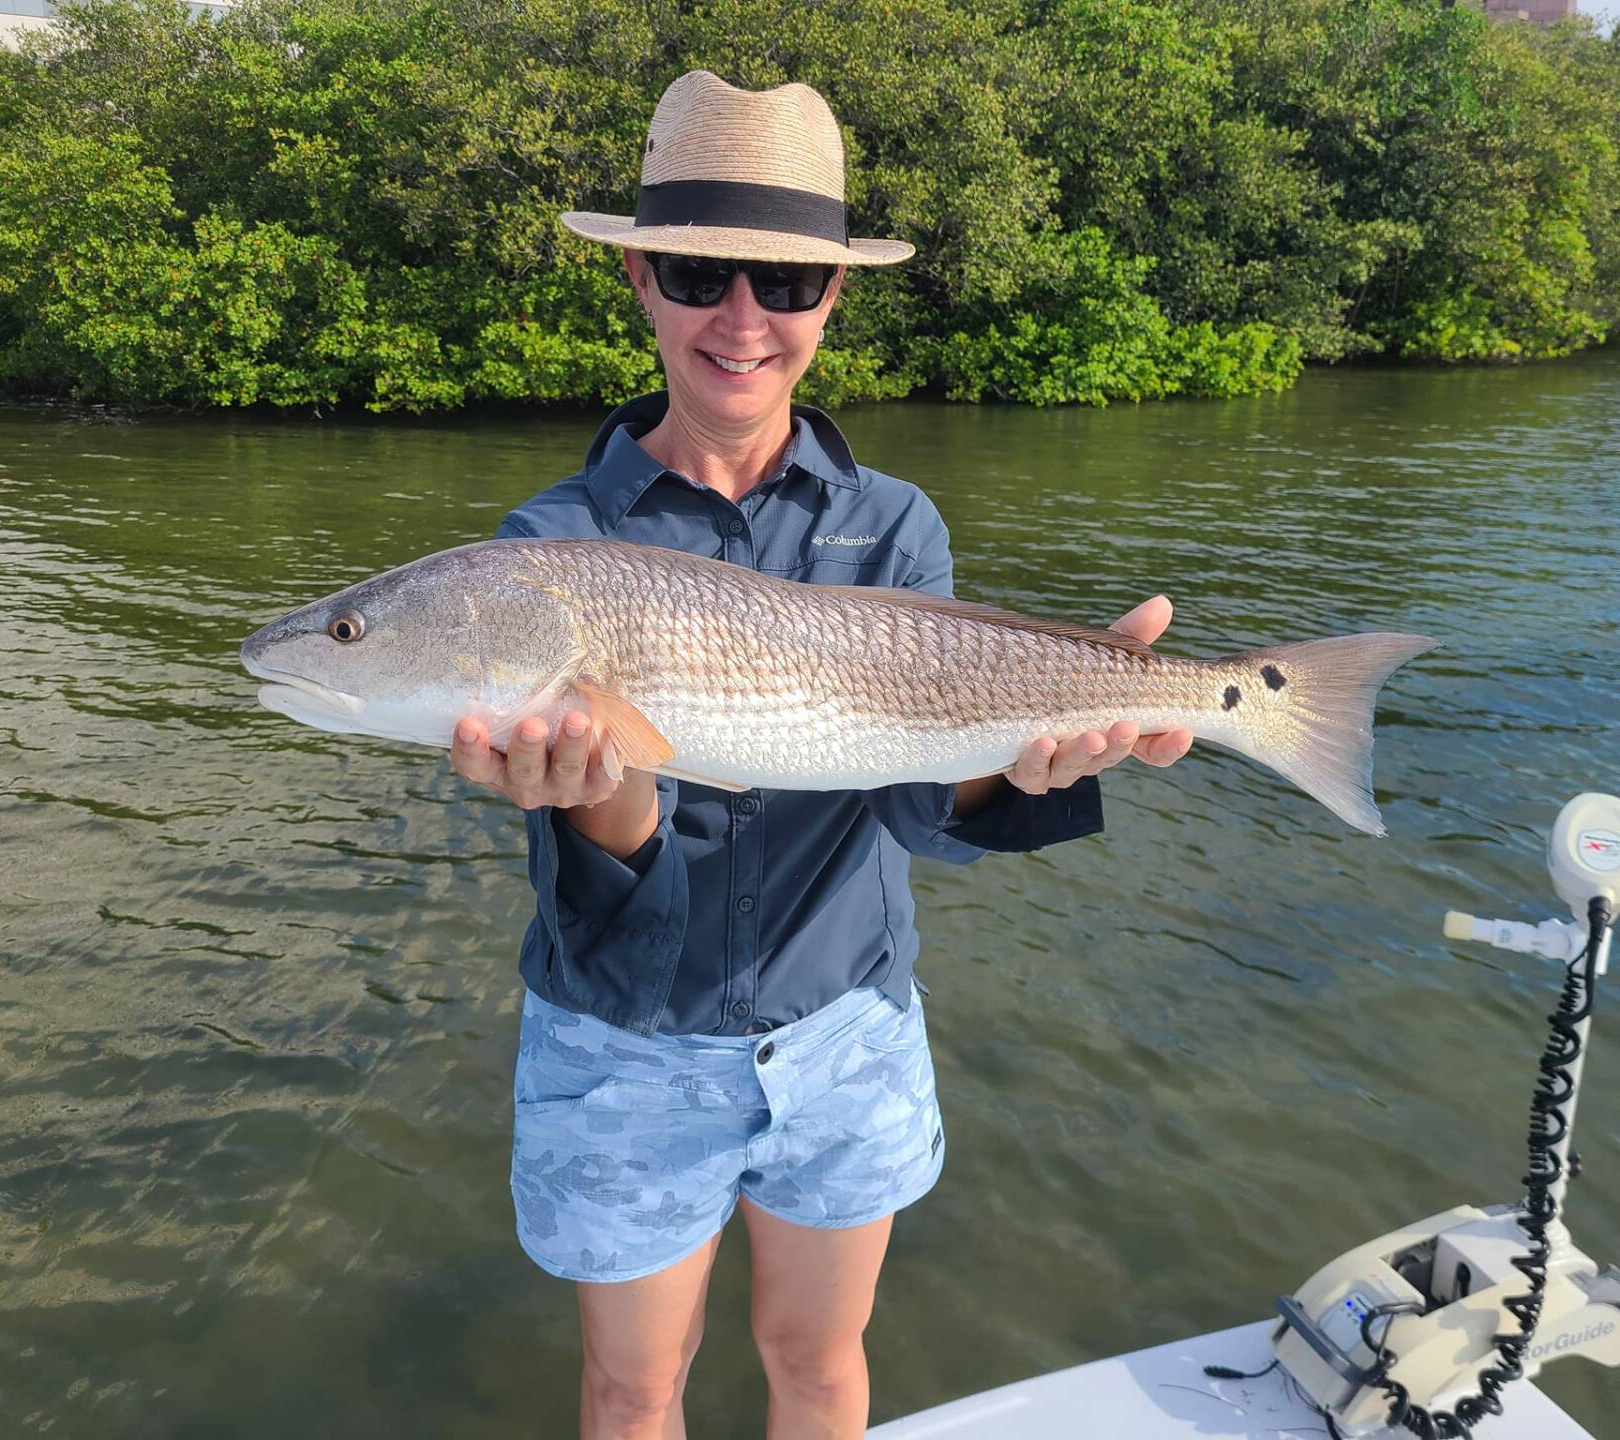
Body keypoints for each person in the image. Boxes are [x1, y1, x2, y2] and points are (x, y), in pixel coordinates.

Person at [447, 71, 1193, 1440]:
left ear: (833, 302)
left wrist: (1025, 766)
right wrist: (602, 795)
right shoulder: (545, 552)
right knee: (627, 1392)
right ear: (640, 283)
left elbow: (919, 805)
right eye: (697, 272)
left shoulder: (897, 525)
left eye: (786, 286)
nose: (742, 321)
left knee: (820, 1363)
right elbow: (610, 868)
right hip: (624, 1042)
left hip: (844, 1029)